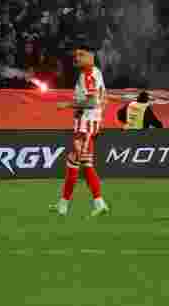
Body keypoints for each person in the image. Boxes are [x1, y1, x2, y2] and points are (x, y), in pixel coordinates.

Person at [50, 42, 110, 217]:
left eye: (81, 54)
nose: (77, 58)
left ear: (91, 57)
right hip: (86, 125)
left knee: (77, 163)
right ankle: (73, 204)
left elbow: (91, 102)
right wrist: (99, 116)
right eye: (76, 55)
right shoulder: (95, 72)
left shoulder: (89, 75)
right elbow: (103, 98)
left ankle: (73, 205)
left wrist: (67, 105)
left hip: (85, 127)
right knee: (80, 164)